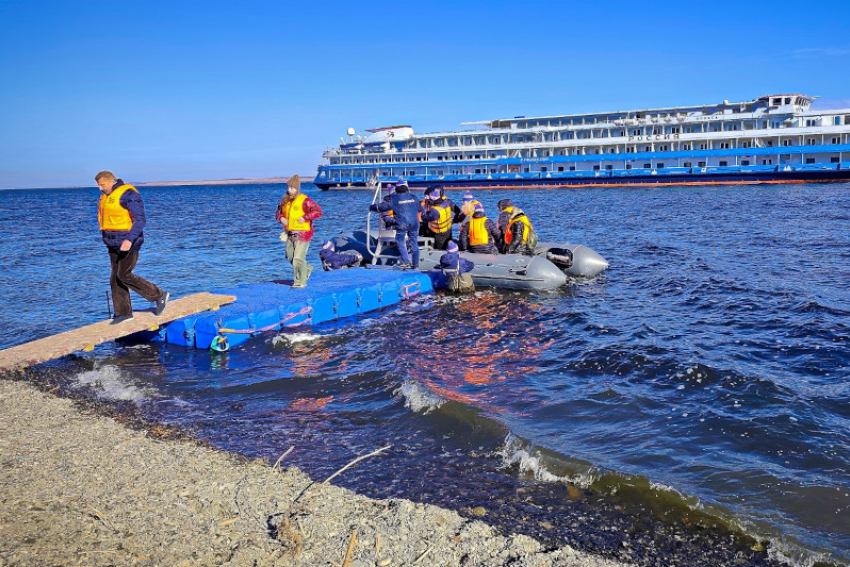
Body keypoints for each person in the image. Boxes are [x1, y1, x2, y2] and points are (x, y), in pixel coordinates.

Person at [95, 170, 169, 323]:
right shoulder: (105, 197)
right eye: (98, 185)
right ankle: (123, 313)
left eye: (102, 185)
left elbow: (140, 220)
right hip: (112, 243)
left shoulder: (129, 194)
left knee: (124, 274)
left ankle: (159, 295)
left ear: (112, 181)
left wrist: (129, 240)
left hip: (129, 242)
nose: (100, 188)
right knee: (115, 277)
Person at [275, 175, 323, 288]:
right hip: (290, 233)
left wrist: (306, 217)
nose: (289, 190)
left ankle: (300, 282)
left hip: (303, 234)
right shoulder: (284, 201)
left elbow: (318, 211)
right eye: (288, 187)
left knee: (298, 258)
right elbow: (278, 213)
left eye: (292, 188)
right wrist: (281, 218)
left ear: (297, 188)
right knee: (289, 256)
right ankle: (307, 268)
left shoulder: (305, 200)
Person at [369, 180, 423, 269]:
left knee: (399, 241)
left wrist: (372, 207)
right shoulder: (414, 197)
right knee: (414, 243)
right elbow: (420, 209)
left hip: (401, 224)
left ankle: (406, 261)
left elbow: (381, 207)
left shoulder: (394, 199)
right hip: (414, 223)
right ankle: (416, 265)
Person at [420, 185, 460, 250]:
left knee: (440, 249)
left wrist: (424, 206)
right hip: (448, 230)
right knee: (448, 245)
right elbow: (458, 211)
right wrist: (454, 220)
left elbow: (424, 217)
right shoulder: (448, 202)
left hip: (439, 234)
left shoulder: (435, 211)